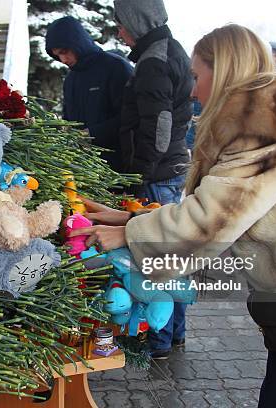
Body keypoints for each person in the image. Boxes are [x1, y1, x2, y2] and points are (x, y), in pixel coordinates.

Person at [71, 24, 276, 407]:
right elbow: (219, 205)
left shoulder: (268, 124)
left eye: (197, 76)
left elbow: (216, 217)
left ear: (225, 69)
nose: (192, 89)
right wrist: (126, 219)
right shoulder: (262, 119)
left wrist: (128, 236)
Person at [113, 0, 193, 359]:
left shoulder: (153, 62)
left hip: (157, 176)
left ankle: (156, 340)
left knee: (155, 261)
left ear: (138, 21)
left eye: (122, 22)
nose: (119, 31)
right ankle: (174, 334)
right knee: (172, 258)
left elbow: (158, 129)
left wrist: (138, 175)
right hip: (171, 170)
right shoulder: (170, 50)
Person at [45, 16, 133, 172]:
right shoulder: (71, 79)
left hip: (117, 167)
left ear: (77, 43)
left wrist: (91, 134)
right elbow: (69, 119)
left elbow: (130, 117)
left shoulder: (116, 68)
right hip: (82, 167)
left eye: (64, 52)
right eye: (57, 55)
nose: (63, 59)